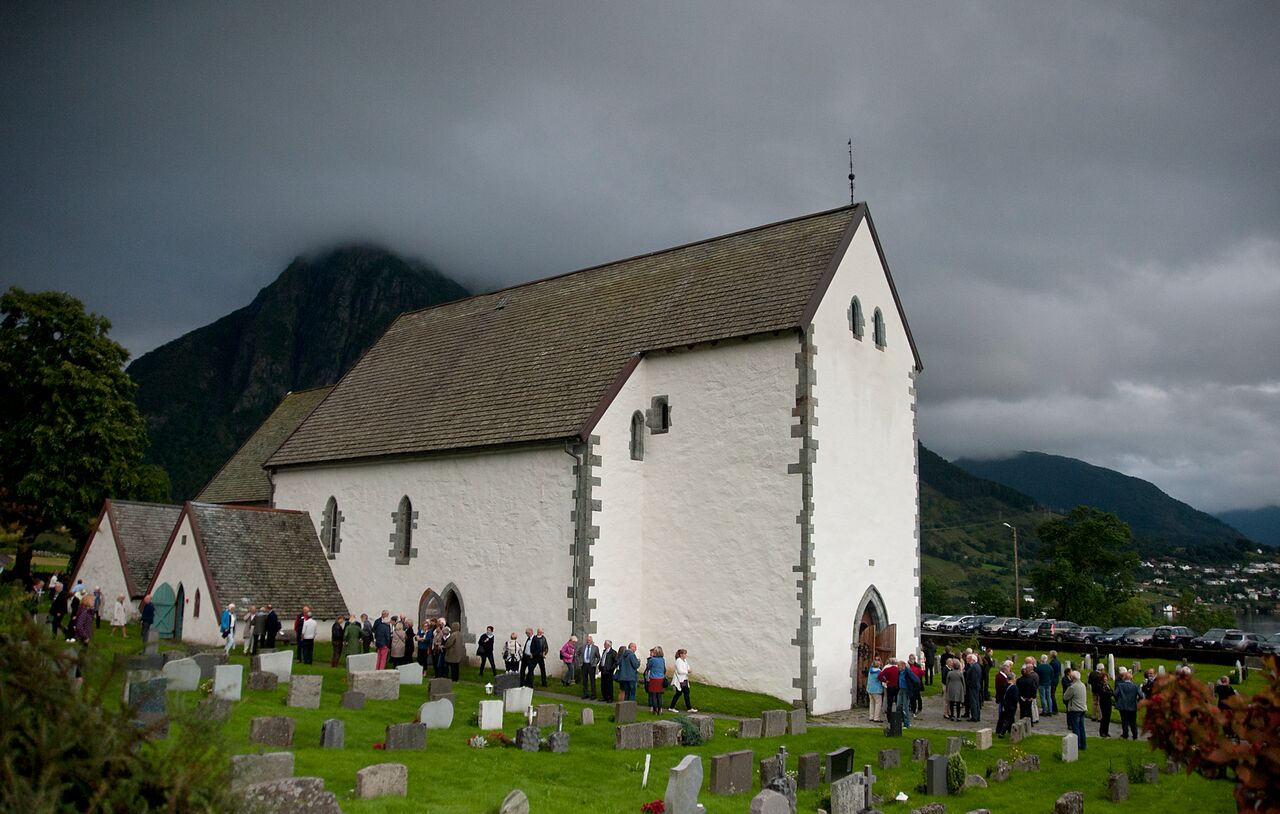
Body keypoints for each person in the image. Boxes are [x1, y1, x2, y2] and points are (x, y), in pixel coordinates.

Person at [1063, 669, 1087, 751]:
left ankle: (1076, 744)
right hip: (1083, 708)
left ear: (1073, 678)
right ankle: (1083, 745)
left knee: (1076, 728)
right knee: (1081, 727)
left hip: (1075, 709)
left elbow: (1065, 697)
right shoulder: (1083, 685)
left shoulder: (1073, 687)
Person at [1114, 668, 1140, 740]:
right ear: (1131, 678)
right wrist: (1137, 700)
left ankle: (1125, 734)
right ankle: (1135, 735)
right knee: (1133, 721)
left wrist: (1119, 699)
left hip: (1123, 706)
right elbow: (1141, 695)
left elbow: (1115, 694)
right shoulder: (1135, 686)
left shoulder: (1120, 685)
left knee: (1124, 721)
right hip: (1132, 705)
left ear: (1124, 678)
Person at [996, 662, 1018, 737]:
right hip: (1011, 705)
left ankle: (1010, 731)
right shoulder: (1013, 687)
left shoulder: (1004, 685)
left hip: (1005, 704)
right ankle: (1002, 733)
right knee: (1009, 719)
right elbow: (1015, 698)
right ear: (1012, 678)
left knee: (1010, 719)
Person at [898, 658, 921, 728]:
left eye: (898, 666)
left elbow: (917, 680)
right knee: (899, 706)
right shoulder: (900, 672)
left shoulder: (908, 672)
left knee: (905, 707)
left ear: (903, 666)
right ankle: (899, 722)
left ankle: (907, 724)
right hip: (901, 689)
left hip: (906, 690)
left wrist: (912, 689)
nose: (897, 667)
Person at [644, 646, 666, 715]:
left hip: (654, 678)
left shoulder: (652, 660)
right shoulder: (662, 659)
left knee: (653, 694)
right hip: (661, 678)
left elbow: (648, 667)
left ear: (656, 653)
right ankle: (660, 709)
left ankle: (655, 710)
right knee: (659, 694)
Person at [577, 634, 601, 700]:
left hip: (591, 665)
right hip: (584, 664)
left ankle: (593, 694)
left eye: (589, 640)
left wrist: (595, 663)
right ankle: (585, 694)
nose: (588, 641)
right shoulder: (583, 647)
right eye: (587, 640)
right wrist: (580, 661)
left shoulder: (595, 648)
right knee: (584, 680)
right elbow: (577, 654)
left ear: (592, 641)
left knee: (592, 680)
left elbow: (598, 657)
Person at [964, 653, 983, 721]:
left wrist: (969, 684)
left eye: (969, 659)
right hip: (976, 686)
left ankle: (974, 717)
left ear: (973, 660)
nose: (968, 661)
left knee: (973, 702)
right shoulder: (977, 666)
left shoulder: (974, 667)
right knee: (976, 702)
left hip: (973, 687)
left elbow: (973, 678)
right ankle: (977, 716)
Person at [1095, 669, 1114, 737]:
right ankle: (1102, 731)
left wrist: (1110, 693)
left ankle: (1106, 731)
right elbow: (1104, 692)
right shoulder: (1100, 685)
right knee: (1104, 717)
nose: (1106, 679)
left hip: (1108, 701)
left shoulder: (1107, 685)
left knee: (1108, 717)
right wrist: (1109, 693)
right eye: (1105, 677)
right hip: (1103, 702)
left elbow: (1112, 692)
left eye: (1106, 677)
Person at [866, 658, 885, 723]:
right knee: (878, 703)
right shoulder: (879, 672)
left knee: (871, 703)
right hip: (876, 690)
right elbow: (882, 679)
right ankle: (876, 717)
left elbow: (872, 665)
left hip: (869, 689)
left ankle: (871, 716)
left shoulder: (870, 670)